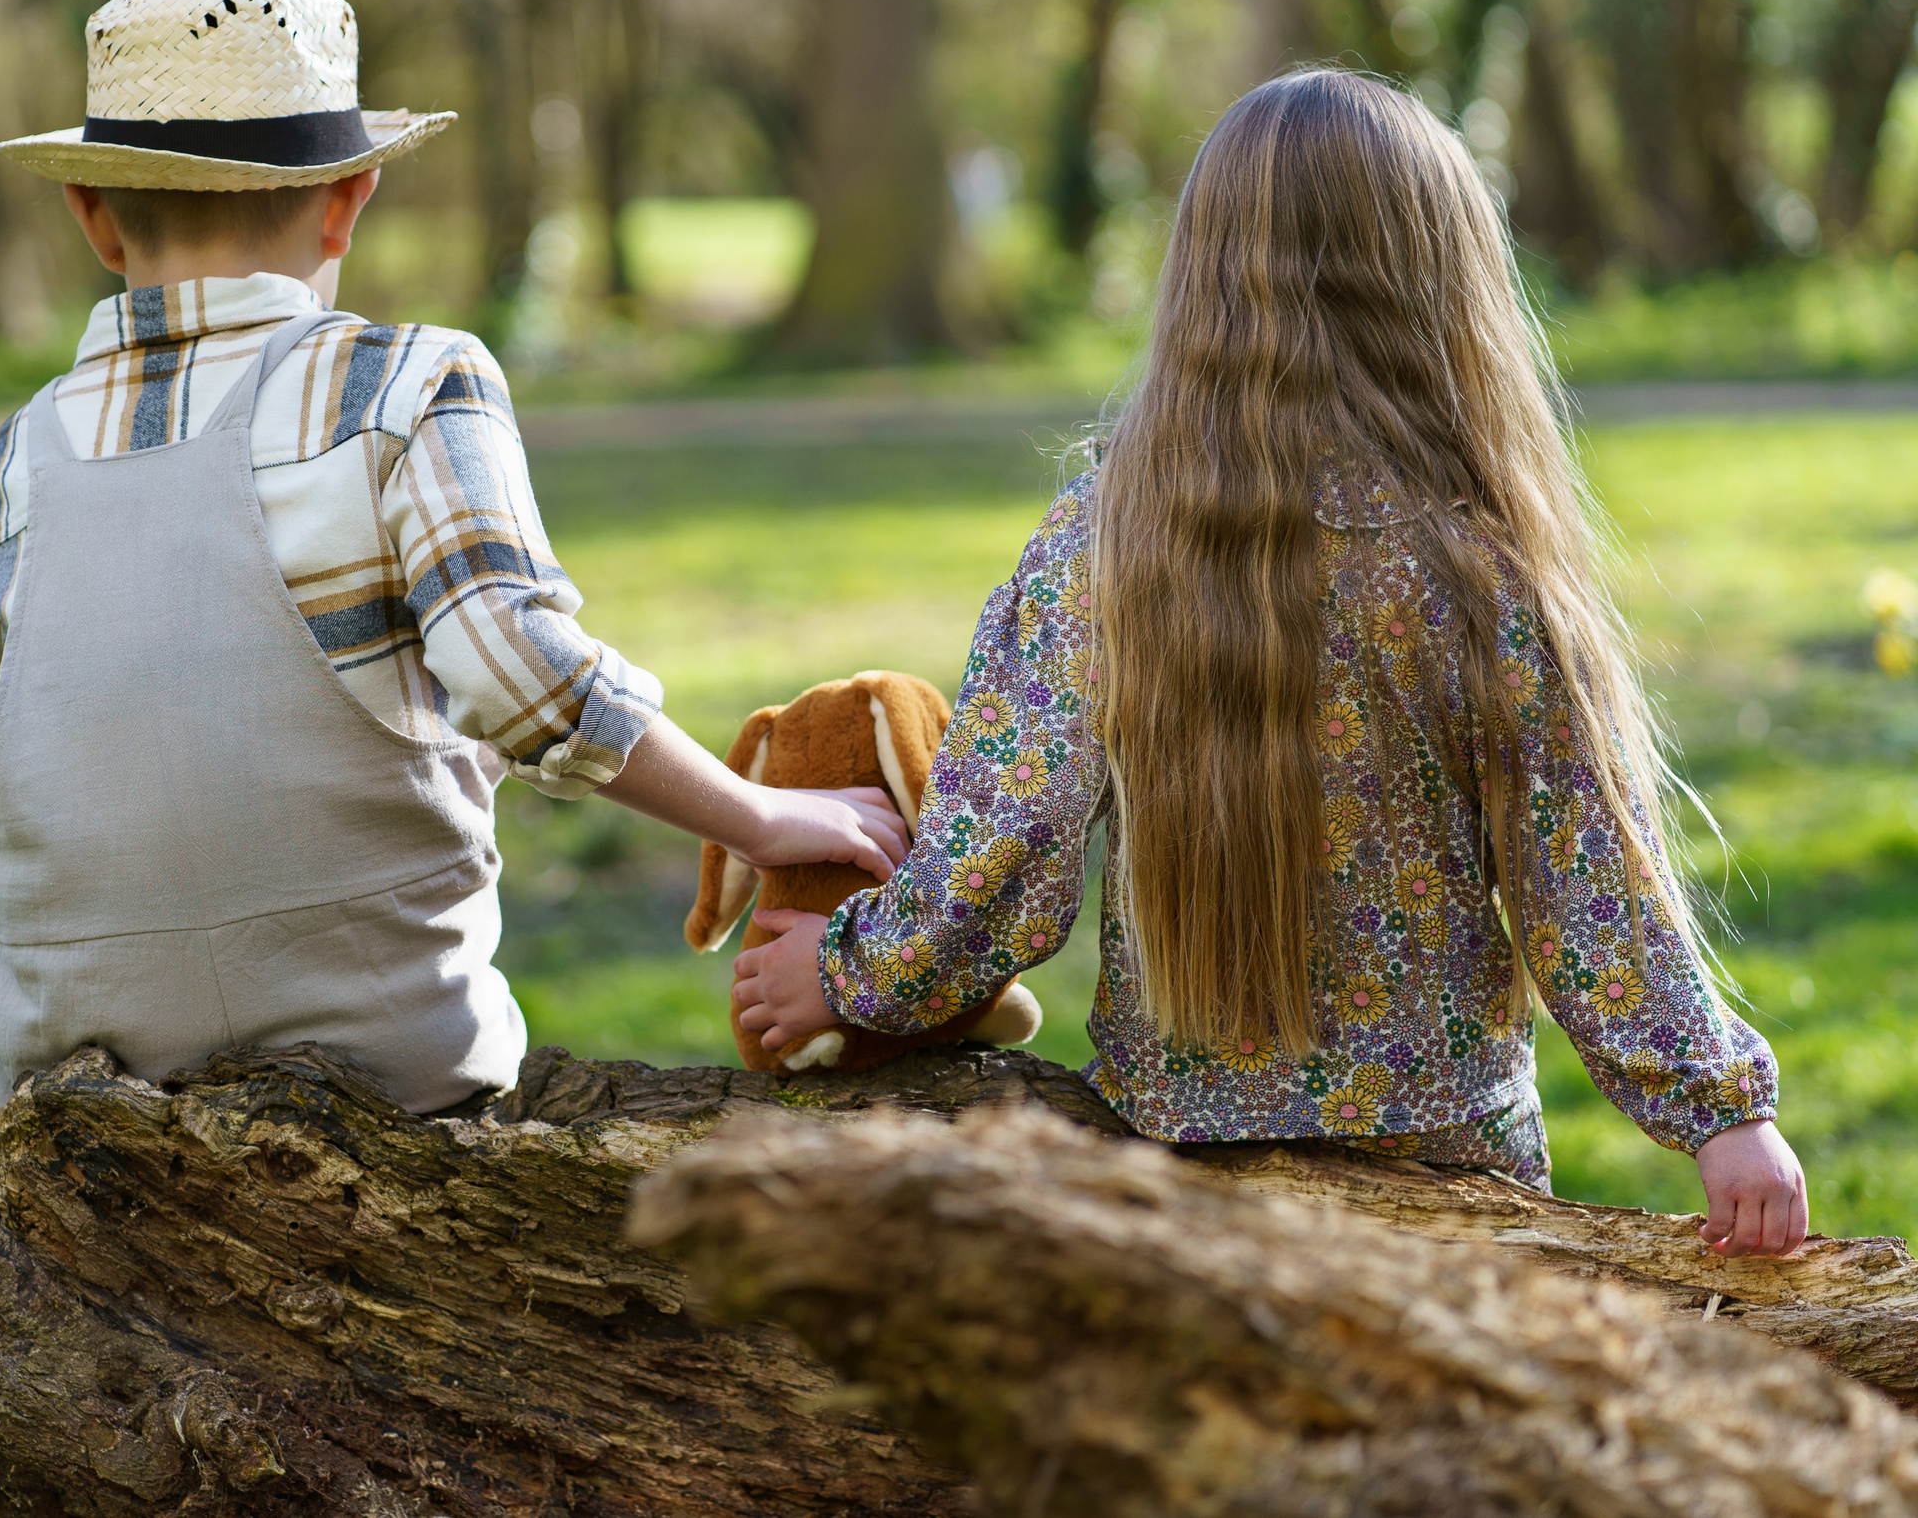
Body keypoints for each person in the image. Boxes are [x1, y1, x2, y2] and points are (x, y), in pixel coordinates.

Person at [0, 0, 908, 1343]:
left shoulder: (13, 461)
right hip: (391, 1047)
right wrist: (767, 810)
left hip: (80, 1045)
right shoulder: (407, 385)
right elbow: (521, 675)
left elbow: (45, 767)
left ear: (95, 219)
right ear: (351, 196)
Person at [734, 68, 1810, 1259]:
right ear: (1445, 285)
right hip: (1456, 1184)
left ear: (1198, 279)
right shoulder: (1474, 569)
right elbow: (1586, 872)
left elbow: (1008, 841)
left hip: (1184, 1177)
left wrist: (857, 976)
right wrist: (1721, 1116)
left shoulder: (1106, 546)